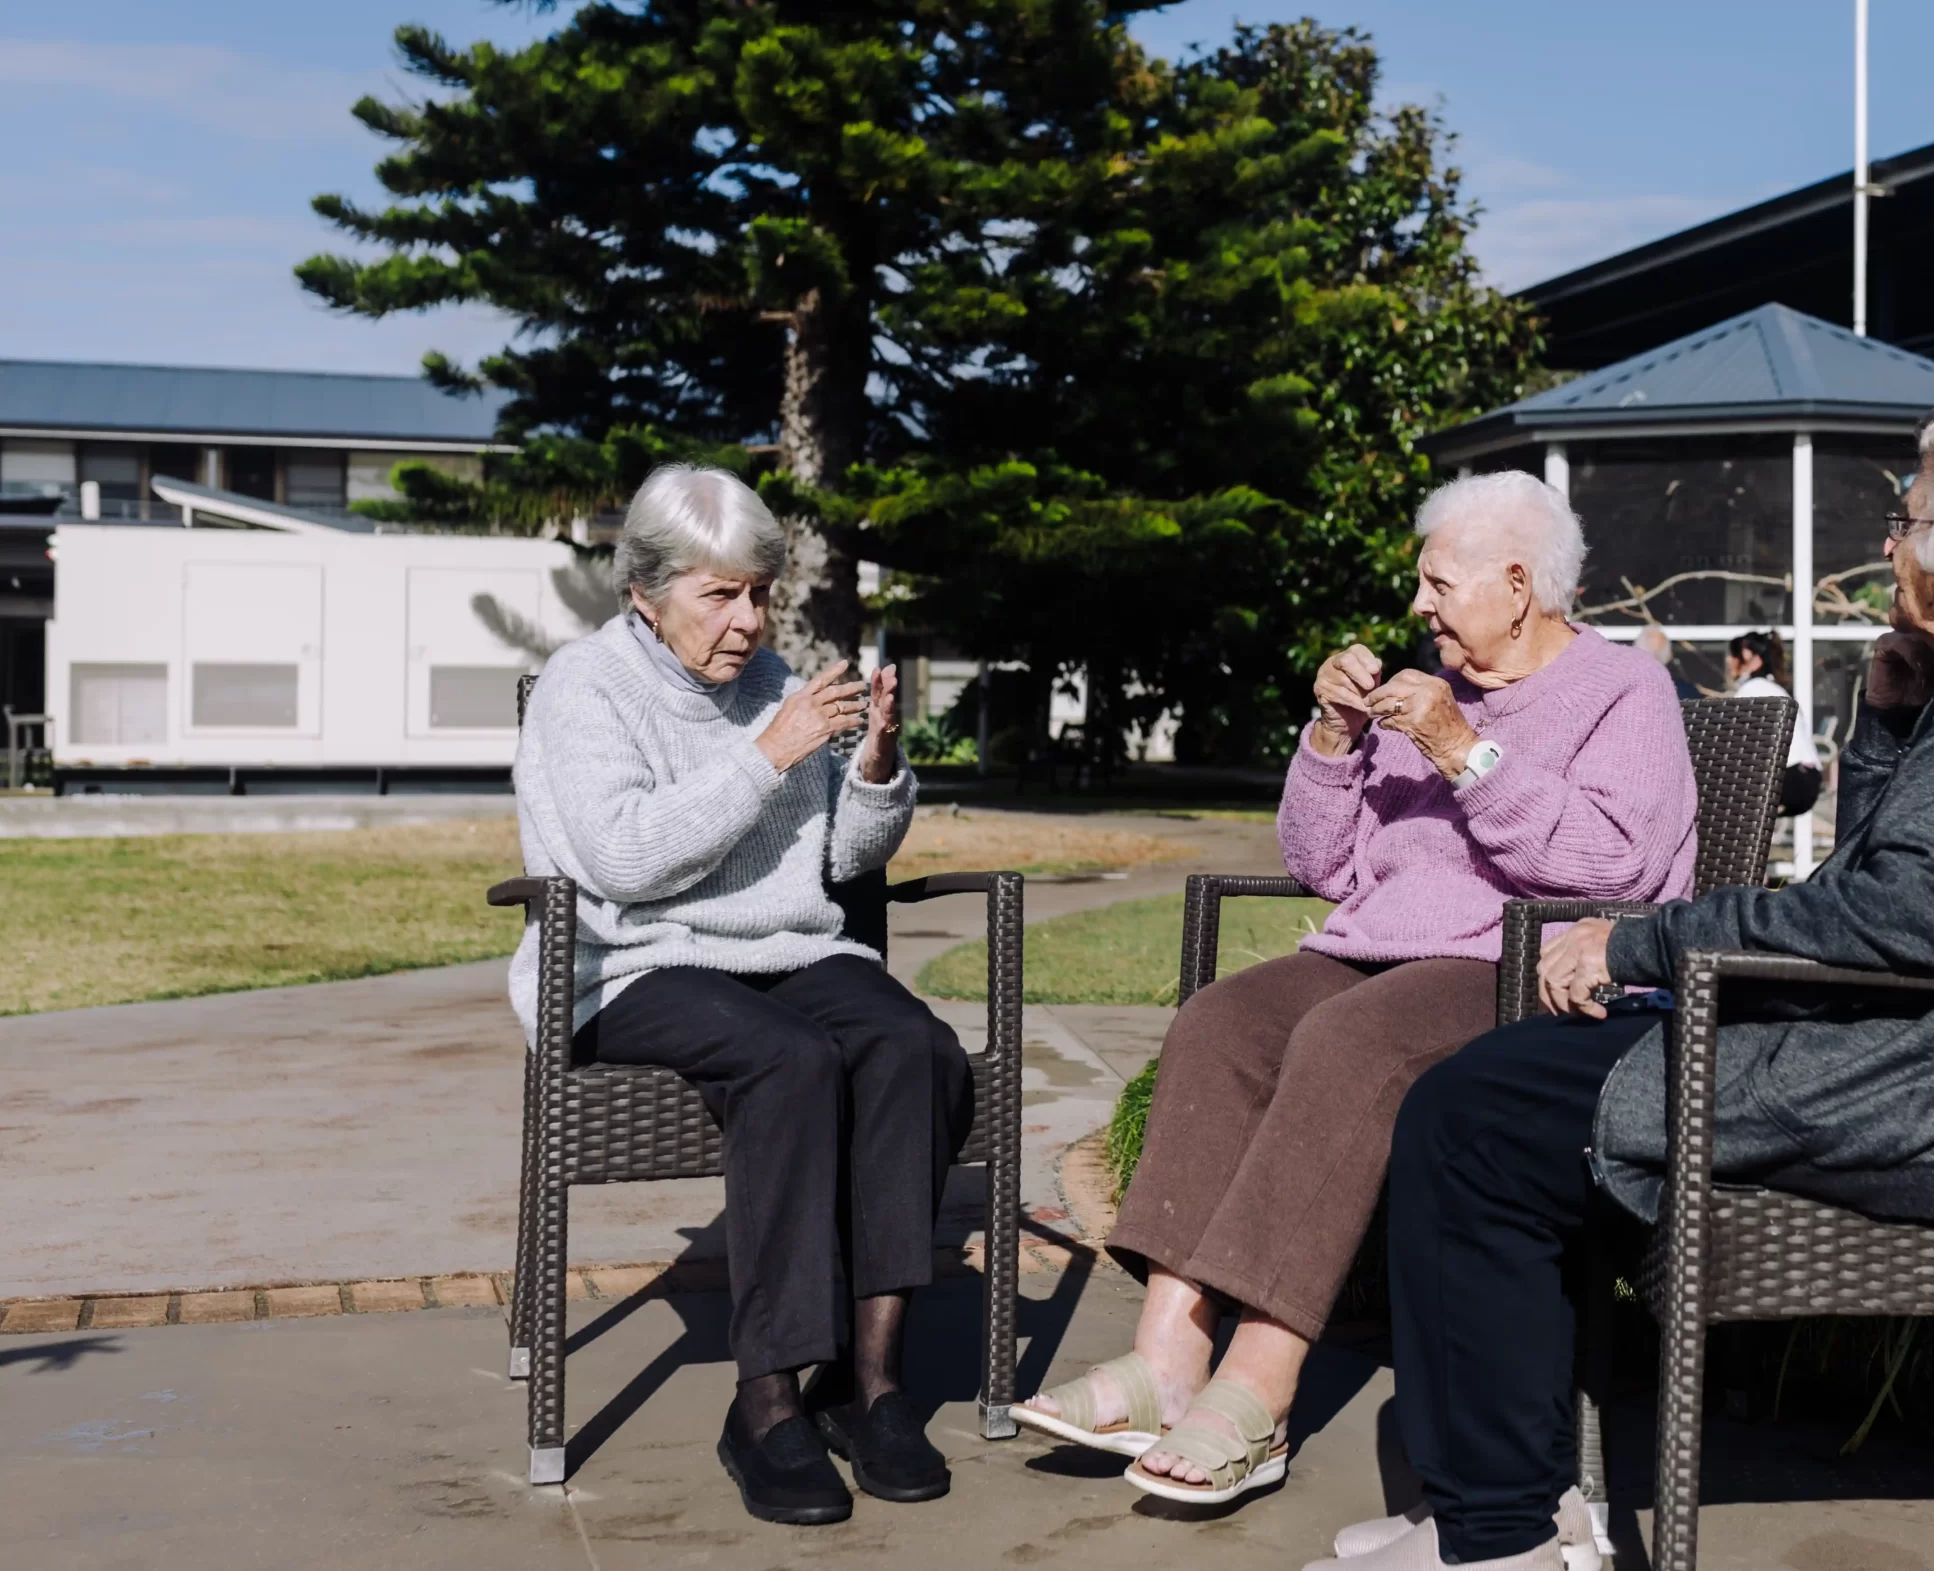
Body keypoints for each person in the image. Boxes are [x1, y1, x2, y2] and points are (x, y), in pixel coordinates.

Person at [1317, 399, 1934, 1570]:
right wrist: (1891, 724)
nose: (1888, 546)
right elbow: (1920, 886)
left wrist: (1636, 945)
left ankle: (1498, 1534)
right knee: (1507, 1089)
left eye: (1909, 520)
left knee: (1471, 1113)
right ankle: (1515, 1503)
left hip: (1931, 1096)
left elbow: (1913, 914)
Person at [1011, 471, 1699, 1512]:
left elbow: (1616, 867)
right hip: (1370, 951)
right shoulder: (1429, 690)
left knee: (1351, 1042)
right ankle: (1165, 1356)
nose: (1419, 606)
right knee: (1220, 1022)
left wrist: (1465, 754)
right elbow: (1322, 864)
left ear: (1517, 586)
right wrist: (1330, 740)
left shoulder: (1621, 693)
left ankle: (1261, 1387)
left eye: (1438, 584)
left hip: (1514, 967)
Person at [511, 464, 970, 1528]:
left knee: (916, 1047)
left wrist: (875, 766)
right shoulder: (587, 688)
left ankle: (869, 1383)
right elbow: (622, 863)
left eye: (759, 593)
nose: (750, 620)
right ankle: (765, 1401)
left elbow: (843, 864)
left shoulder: (777, 686)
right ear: (645, 592)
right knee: (789, 1061)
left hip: (785, 950)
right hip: (626, 960)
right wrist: (769, 755)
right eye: (720, 596)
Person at [1723, 629, 1825, 816]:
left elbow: (1734, 742)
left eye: (1736, 655)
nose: (1730, 660)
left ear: (1754, 661)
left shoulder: (1751, 689)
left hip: (1788, 779)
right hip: (1808, 779)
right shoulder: (1774, 689)